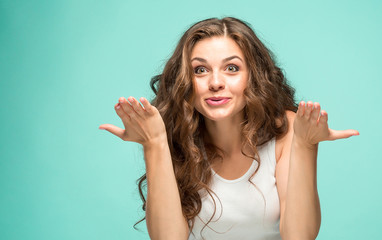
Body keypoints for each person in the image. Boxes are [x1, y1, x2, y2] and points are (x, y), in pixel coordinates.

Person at [99, 17, 359, 240]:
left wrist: (305, 144)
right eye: (200, 70)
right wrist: (154, 142)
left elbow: (299, 236)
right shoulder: (173, 134)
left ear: (253, 76)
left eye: (231, 68)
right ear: (185, 81)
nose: (215, 82)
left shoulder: (288, 129)